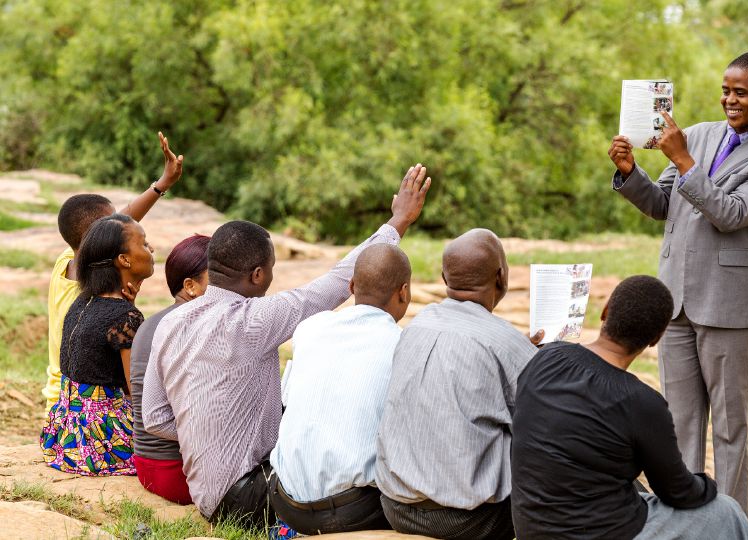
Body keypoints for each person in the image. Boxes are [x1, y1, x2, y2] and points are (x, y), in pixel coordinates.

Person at [142, 164, 431, 527]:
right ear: (258, 275)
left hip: (205, 494)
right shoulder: (255, 320)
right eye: (271, 269)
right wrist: (398, 221)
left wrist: (206, 429)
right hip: (251, 496)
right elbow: (336, 283)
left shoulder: (170, 322)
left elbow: (155, 418)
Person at [606, 51, 748, 514]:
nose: (729, 100)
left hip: (730, 308)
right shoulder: (696, 135)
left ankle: (730, 523)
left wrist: (684, 161)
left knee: (730, 428)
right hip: (675, 304)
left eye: (741, 92)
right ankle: (684, 521)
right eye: (725, 90)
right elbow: (661, 204)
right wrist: (631, 172)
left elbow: (732, 214)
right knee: (678, 424)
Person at [511, 275, 748, 539]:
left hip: (531, 527)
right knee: (725, 510)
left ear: (605, 311)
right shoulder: (642, 402)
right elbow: (679, 492)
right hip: (597, 533)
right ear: (655, 339)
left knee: (634, 489)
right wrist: (708, 485)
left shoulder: (546, 357)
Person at [375, 228, 542, 540]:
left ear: (444, 278)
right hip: (468, 520)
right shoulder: (504, 341)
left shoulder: (416, 327)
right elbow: (550, 417)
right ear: (501, 276)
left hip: (396, 508)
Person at [268, 243, 412, 539]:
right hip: (354, 511)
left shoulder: (310, 328)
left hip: (286, 502)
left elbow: (287, 401)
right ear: (404, 292)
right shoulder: (404, 344)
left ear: (352, 286)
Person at [41, 132, 183, 412]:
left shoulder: (68, 260)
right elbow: (139, 396)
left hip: (62, 409)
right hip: (86, 413)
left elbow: (122, 223)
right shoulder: (95, 300)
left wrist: (161, 184)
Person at [40, 214, 155, 476]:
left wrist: (129, 308)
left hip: (66, 434)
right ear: (124, 260)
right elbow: (137, 392)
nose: (151, 249)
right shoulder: (125, 317)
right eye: (144, 243)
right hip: (102, 440)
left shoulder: (82, 301)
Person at [130, 234, 210, 504]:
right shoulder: (191, 326)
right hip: (179, 471)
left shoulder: (152, 322)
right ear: (190, 286)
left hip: (146, 463)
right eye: (218, 279)